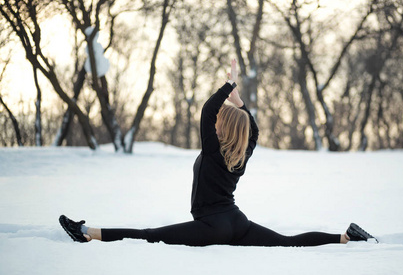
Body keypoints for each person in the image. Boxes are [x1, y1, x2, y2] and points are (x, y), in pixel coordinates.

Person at [60, 59, 377, 246]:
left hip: (214, 226)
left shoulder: (213, 150)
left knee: (150, 236)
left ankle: (86, 233)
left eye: (222, 119)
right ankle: (345, 238)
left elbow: (208, 109)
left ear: (223, 126)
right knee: (288, 242)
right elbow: (252, 128)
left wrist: (229, 86)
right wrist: (239, 101)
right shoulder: (241, 154)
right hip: (237, 223)